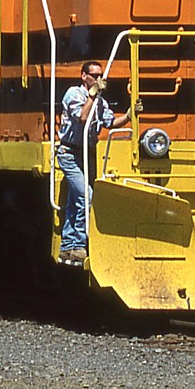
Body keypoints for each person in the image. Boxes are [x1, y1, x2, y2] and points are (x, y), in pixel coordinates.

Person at [55, 61, 133, 264]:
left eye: (101, 76)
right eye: (94, 75)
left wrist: (129, 115)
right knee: (85, 197)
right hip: (69, 154)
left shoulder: (101, 102)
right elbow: (82, 117)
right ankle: (79, 245)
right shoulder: (74, 94)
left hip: (87, 155)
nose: (98, 79)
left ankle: (66, 247)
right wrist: (92, 95)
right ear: (83, 76)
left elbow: (110, 123)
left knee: (75, 201)